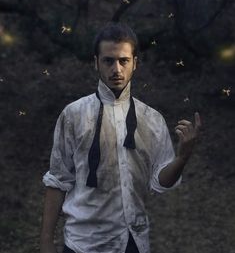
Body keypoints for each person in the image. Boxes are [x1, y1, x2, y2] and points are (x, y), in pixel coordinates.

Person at [40, 22, 201, 253]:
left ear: (135, 63)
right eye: (108, 60)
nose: (116, 69)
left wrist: (182, 157)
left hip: (133, 242)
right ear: (95, 62)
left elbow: (160, 181)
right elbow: (58, 180)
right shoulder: (73, 115)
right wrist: (46, 242)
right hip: (83, 244)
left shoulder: (152, 119)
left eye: (123, 60)